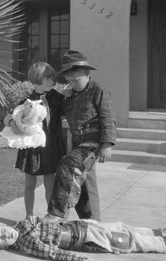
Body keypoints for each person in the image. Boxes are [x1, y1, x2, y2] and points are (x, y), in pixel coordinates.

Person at [43, 50, 116, 223]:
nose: (73, 83)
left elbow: (108, 118)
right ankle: (91, 221)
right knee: (84, 183)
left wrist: (107, 145)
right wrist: (63, 94)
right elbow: (53, 108)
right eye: (69, 80)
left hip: (92, 142)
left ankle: (56, 213)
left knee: (67, 165)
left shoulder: (98, 91)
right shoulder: (70, 95)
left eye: (76, 79)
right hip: (77, 142)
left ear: (87, 73)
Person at [0, 216, 166, 261]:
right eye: (2, 241)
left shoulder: (22, 225)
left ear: (3, 225)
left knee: (122, 227)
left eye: (2, 232)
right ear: (3, 248)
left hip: (82, 226)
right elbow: (56, 254)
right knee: (129, 241)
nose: (6, 236)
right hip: (86, 240)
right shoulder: (27, 242)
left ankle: (164, 233)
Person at [2, 62, 69, 217]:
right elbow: (10, 117)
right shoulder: (27, 101)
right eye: (48, 78)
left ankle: (51, 215)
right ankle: (29, 216)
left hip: (51, 146)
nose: (52, 81)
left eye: (53, 78)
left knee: (50, 183)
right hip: (31, 148)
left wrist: (70, 94)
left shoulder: (58, 99)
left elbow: (69, 112)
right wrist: (12, 122)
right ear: (37, 80)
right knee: (30, 183)